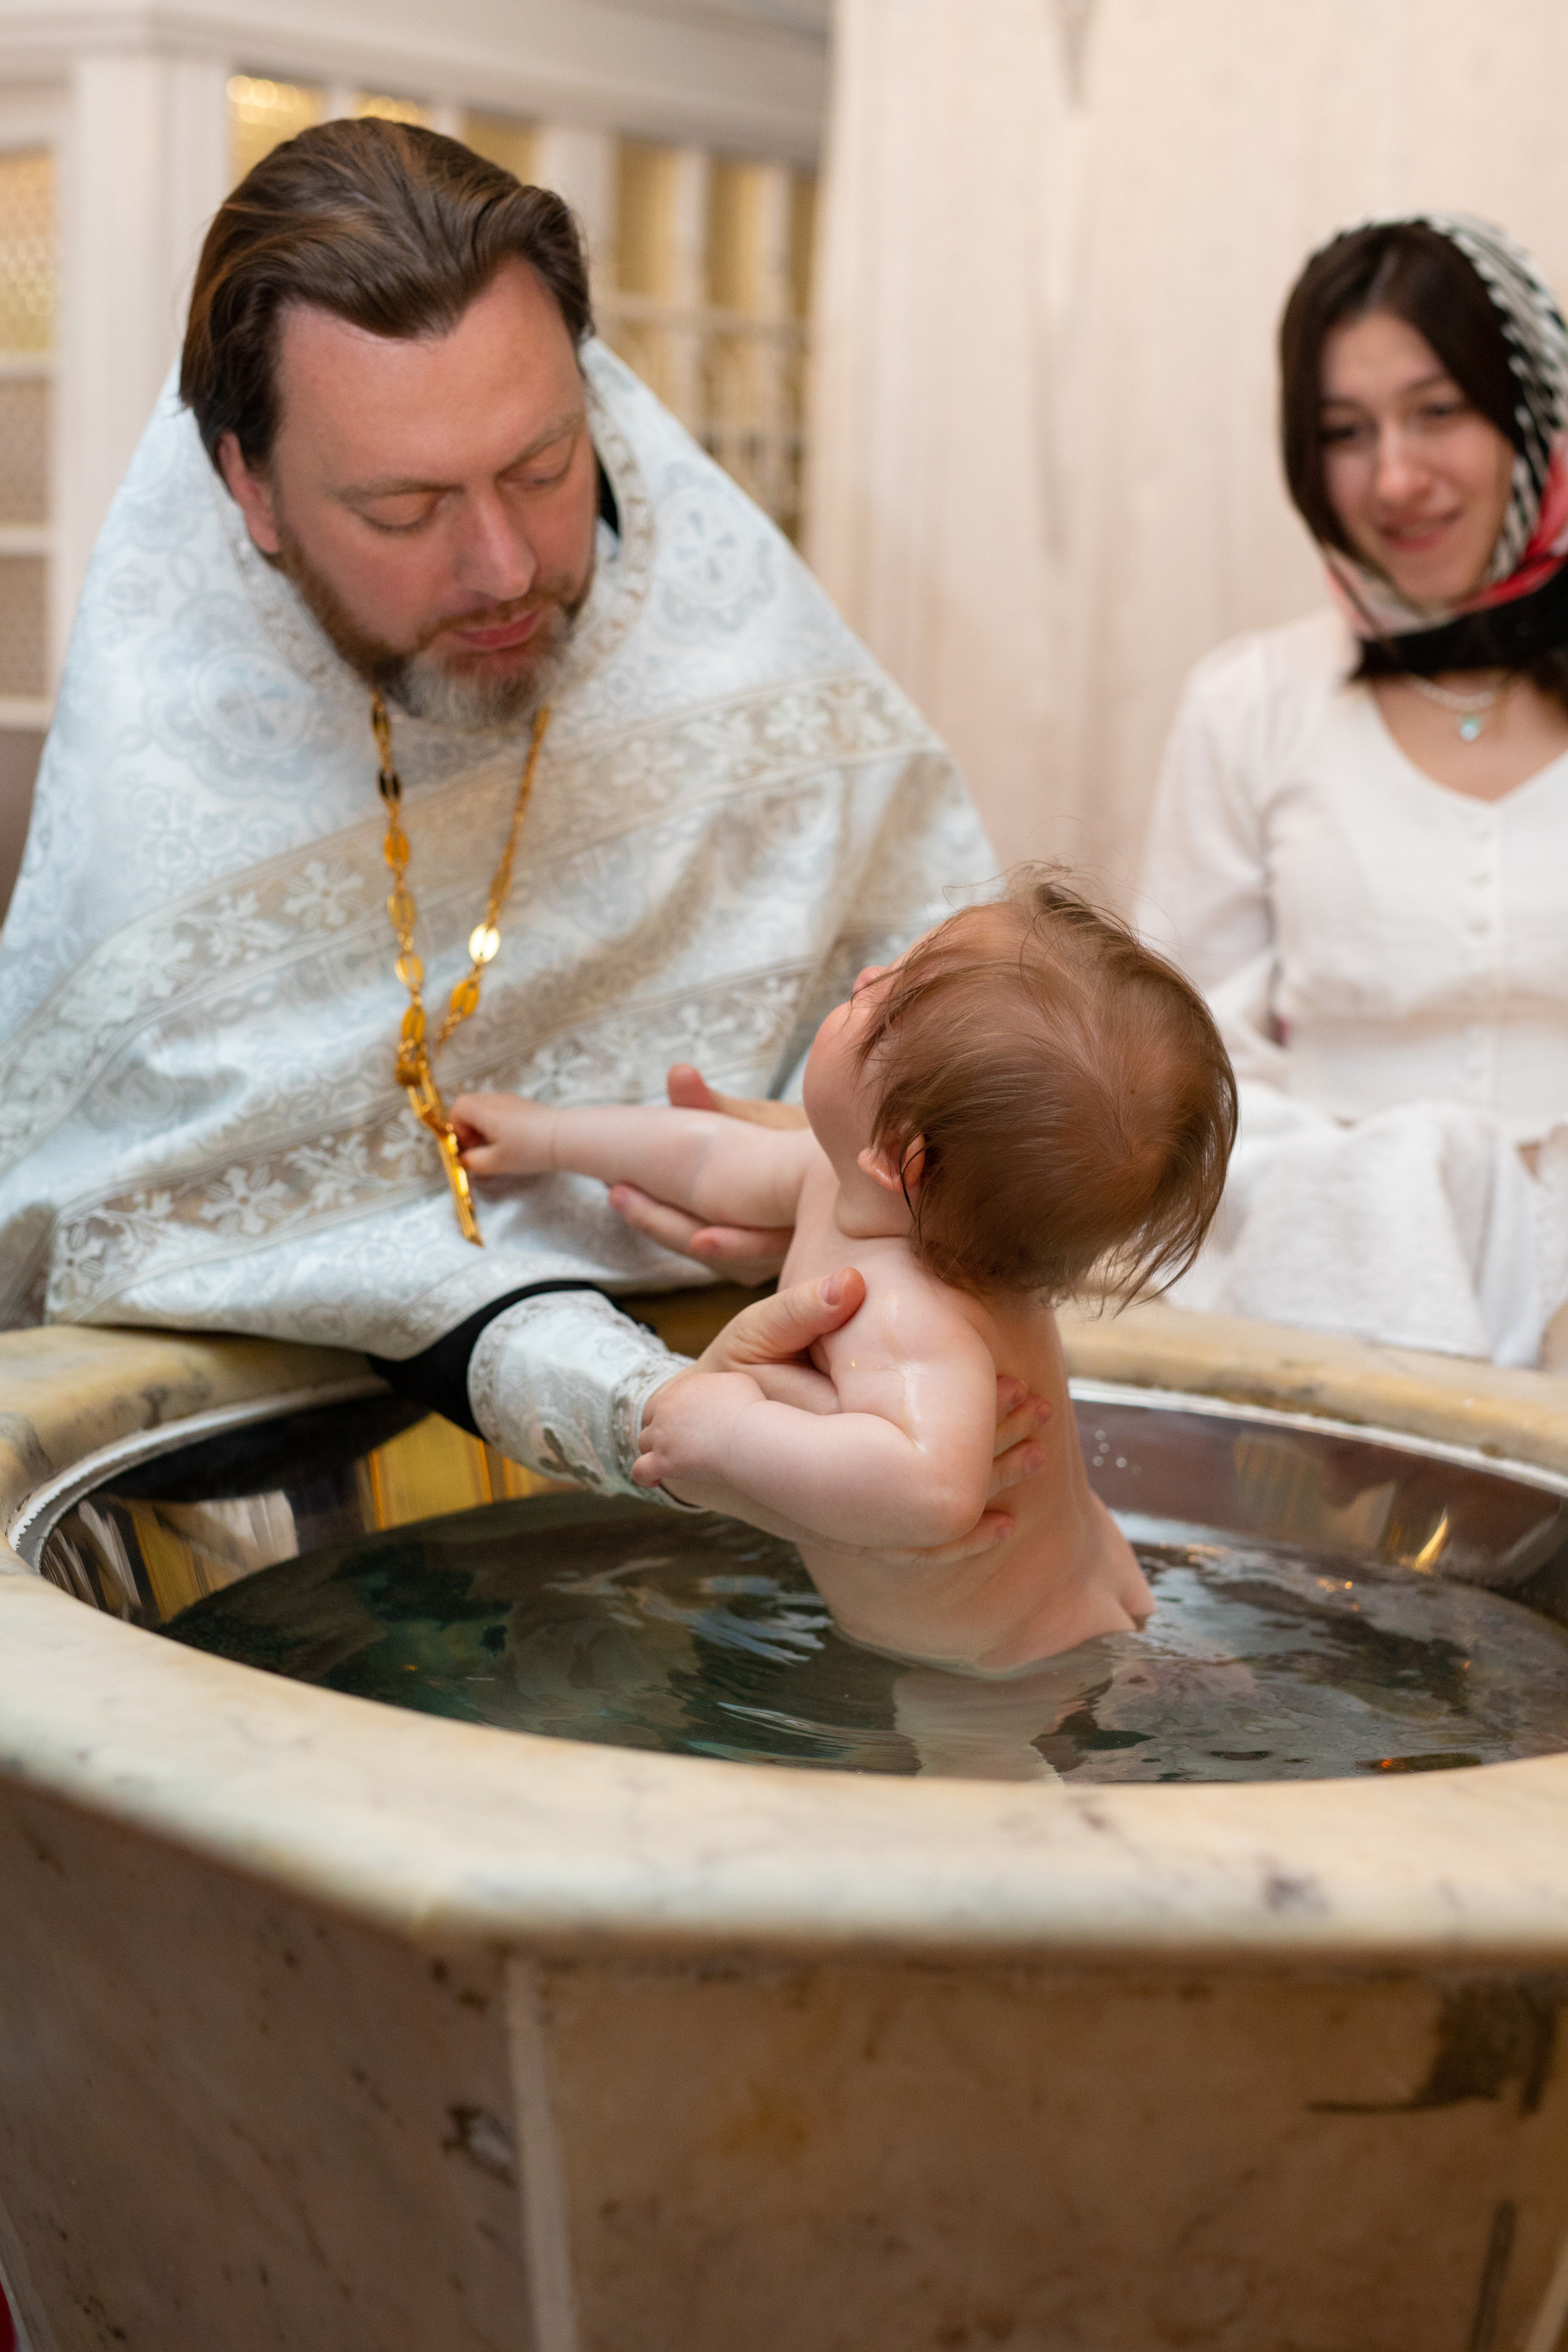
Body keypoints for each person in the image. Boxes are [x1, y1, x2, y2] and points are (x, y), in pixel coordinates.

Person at [0, 118, 1051, 1561]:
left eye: (546, 465)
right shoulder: (170, 788)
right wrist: (614, 1384)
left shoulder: (737, 669)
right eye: (404, 507)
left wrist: (833, 1192)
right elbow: (144, 1224)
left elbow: (959, 1070)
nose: (503, 568)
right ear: (248, 487)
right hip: (279, 1511)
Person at [451, 873, 1236, 1670]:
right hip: (1072, 1579)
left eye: (885, 1003)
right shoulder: (845, 1179)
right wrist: (551, 1140)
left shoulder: (909, 1311)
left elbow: (933, 1491)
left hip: (1001, 1657)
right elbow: (708, 1155)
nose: (865, 979)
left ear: (901, 1157)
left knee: (978, 1797)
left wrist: (728, 1433)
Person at [1139, 214, 1568, 1366]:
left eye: (1439, 412)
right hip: (1329, 1293)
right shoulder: (1250, 701)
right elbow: (1187, 1064)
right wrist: (1390, 1222)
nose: (1394, 477)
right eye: (1344, 431)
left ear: (1535, 414)